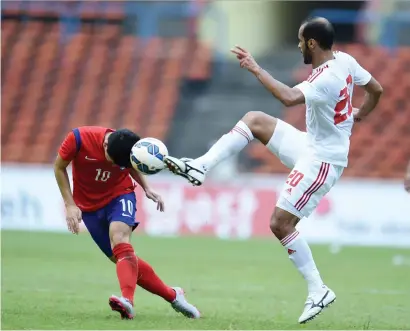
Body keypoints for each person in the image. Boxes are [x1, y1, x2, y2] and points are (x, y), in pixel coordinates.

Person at [164, 17, 383, 323]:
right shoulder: (345, 60)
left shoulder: (326, 78)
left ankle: (318, 289)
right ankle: (201, 166)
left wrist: (256, 68)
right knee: (254, 119)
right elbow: (376, 89)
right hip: (311, 144)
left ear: (312, 43)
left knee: (280, 224)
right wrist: (359, 114)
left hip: (322, 160)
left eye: (300, 40)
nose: (297, 46)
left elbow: (289, 97)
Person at [54, 126, 200, 320]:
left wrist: (146, 188)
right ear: (105, 144)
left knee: (120, 239)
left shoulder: (127, 149)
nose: (112, 165)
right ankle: (173, 296)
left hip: (119, 195)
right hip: (88, 207)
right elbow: (59, 167)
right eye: (111, 160)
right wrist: (70, 204)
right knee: (123, 259)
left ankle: (127, 302)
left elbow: (133, 166)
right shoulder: (79, 138)